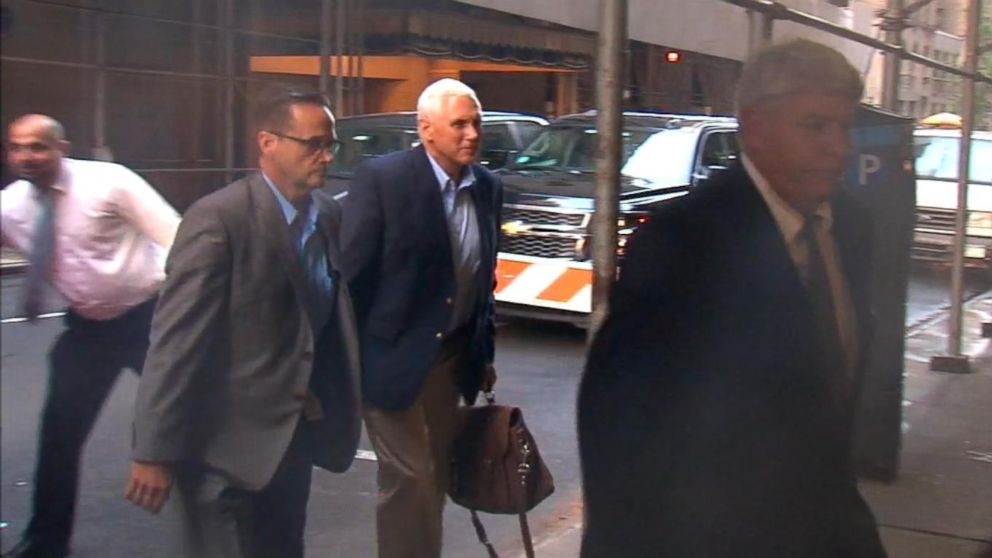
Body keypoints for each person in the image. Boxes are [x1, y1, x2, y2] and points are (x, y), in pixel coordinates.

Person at [577, 40, 888, 558]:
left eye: (845, 126)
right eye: (816, 126)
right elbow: (617, 425)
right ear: (756, 127)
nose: (841, 147)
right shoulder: (684, 242)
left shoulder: (853, 229)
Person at [125, 85, 361, 558]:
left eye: (330, 144)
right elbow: (177, 341)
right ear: (267, 142)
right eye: (312, 144)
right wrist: (153, 450)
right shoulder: (219, 219)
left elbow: (322, 325)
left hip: (291, 439)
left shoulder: (328, 215)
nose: (324, 156)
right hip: (221, 450)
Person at [1, 114, 180, 558]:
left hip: (149, 317)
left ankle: (223, 518)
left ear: (62, 148)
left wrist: (188, 313)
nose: (27, 157)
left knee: (195, 416)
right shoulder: (12, 205)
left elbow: (177, 239)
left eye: (38, 147)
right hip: (87, 327)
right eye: (17, 148)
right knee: (59, 434)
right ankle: (47, 543)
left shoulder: (109, 183)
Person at [339, 78, 501, 558]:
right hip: (390, 358)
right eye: (459, 124)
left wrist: (483, 352)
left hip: (450, 361)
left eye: (476, 123)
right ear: (426, 129)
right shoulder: (384, 180)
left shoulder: (488, 189)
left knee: (436, 476)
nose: (471, 133)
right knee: (411, 479)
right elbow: (351, 278)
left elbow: (482, 279)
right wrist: (345, 364)